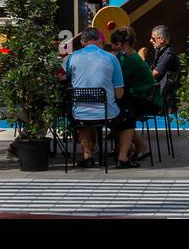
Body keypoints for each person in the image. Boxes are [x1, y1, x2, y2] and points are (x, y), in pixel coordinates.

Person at [63, 27, 125, 168]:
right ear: (100, 41)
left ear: (82, 42)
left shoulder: (72, 57)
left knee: (82, 117)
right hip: (106, 113)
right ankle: (121, 154)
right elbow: (119, 93)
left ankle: (88, 155)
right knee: (126, 117)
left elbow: (68, 79)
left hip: (80, 113)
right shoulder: (111, 58)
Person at [110, 26, 155, 165]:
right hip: (142, 95)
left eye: (115, 44)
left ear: (124, 43)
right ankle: (125, 147)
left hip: (143, 99)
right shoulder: (129, 55)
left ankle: (136, 147)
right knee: (118, 111)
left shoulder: (128, 59)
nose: (113, 47)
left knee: (119, 114)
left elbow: (117, 81)